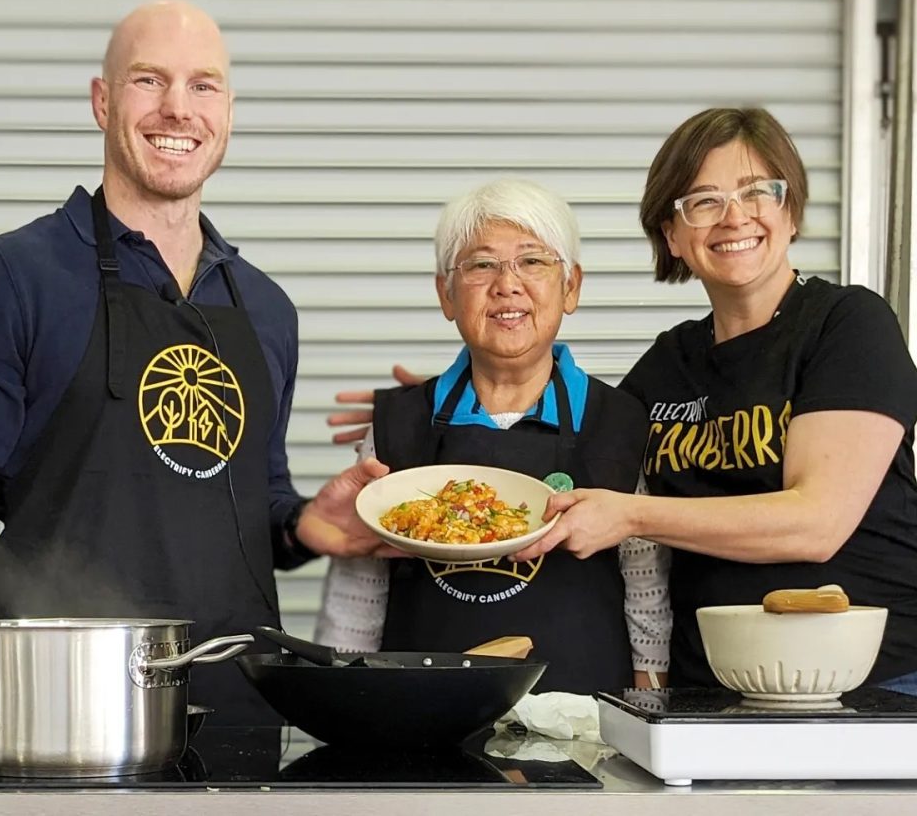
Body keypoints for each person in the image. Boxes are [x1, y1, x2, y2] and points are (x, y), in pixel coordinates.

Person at [0, 0, 390, 724]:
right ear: (102, 100)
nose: (178, 109)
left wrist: (304, 524)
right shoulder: (12, 278)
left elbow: (249, 492)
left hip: (235, 712)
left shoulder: (265, 310)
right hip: (55, 713)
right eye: (150, 81)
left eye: (203, 86)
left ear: (228, 111)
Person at [332, 108, 917, 693]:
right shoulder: (666, 368)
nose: (735, 215)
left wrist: (631, 515)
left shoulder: (847, 326)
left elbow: (815, 524)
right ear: (673, 234)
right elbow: (578, 424)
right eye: (704, 200)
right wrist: (434, 406)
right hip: (710, 686)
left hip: (861, 680)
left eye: (757, 191)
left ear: (790, 211)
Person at [313, 179, 670, 693]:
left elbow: (646, 585)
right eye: (481, 265)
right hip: (419, 718)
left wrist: (648, 702)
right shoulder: (395, 425)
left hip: (587, 721)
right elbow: (357, 591)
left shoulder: (620, 422)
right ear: (446, 294)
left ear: (571, 288)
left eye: (533, 261)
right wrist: (342, 702)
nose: (507, 284)